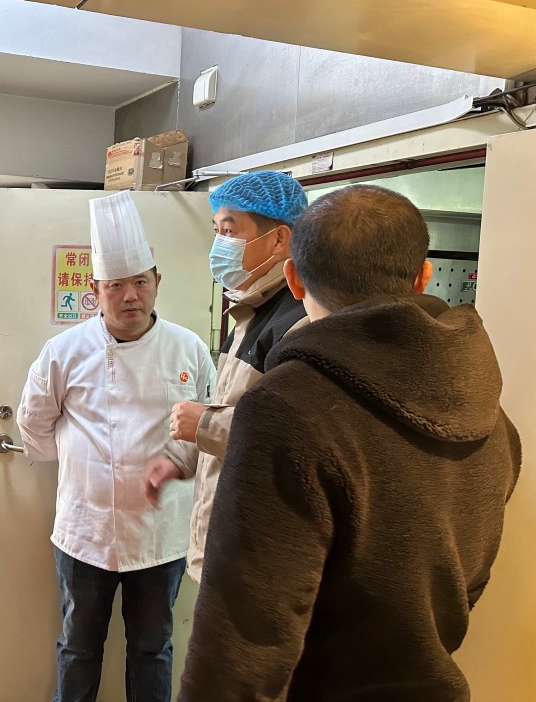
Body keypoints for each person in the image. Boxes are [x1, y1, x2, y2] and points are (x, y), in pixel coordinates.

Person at [178, 185, 522, 701]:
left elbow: (244, 639)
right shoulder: (487, 410)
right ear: (423, 276)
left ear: (293, 278)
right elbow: (467, 578)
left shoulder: (286, 406)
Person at [17, 191, 217, 702]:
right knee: (77, 648)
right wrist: (84, 464)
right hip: (85, 531)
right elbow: (32, 423)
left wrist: (176, 463)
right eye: (116, 286)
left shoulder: (189, 348)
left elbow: (209, 430)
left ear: (157, 282)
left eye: (140, 282)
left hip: (160, 534)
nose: (130, 296)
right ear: (96, 291)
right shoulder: (65, 351)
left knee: (153, 648)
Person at [144, 170, 308, 584]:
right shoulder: (252, 311)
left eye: (230, 231)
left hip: (257, 556)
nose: (219, 245)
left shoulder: (298, 321)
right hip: (225, 543)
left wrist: (202, 423)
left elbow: (291, 436)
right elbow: (234, 405)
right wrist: (179, 460)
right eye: (216, 231)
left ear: (278, 239)